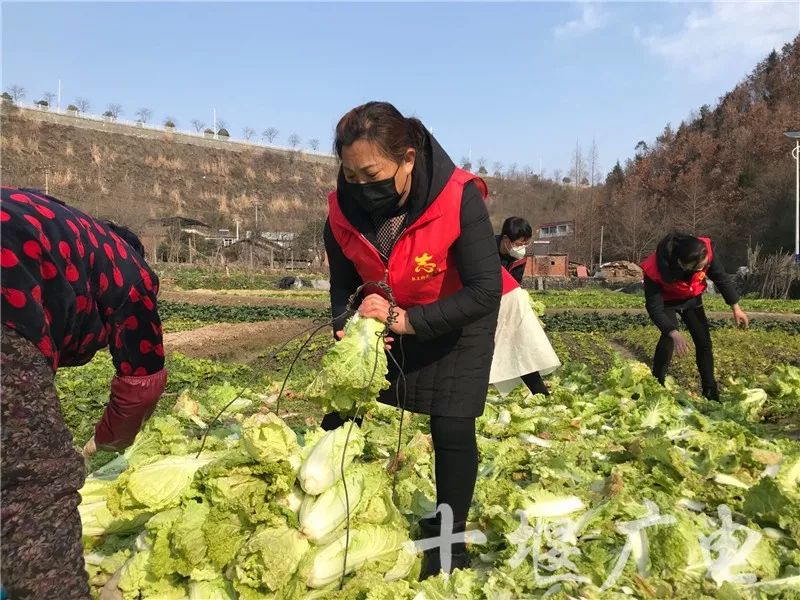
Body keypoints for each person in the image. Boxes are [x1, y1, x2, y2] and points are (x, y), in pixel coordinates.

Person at [323, 101, 502, 578]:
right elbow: (343, 283)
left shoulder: (458, 196)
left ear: (406, 158)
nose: (361, 187)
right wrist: (350, 320)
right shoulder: (341, 208)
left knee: (451, 427)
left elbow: (486, 289)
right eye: (351, 175)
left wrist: (409, 321)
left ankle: (450, 541)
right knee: (341, 411)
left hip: (456, 320)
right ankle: (329, 515)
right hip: (384, 320)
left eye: (371, 174)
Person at [1, 187, 167, 599]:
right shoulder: (131, 272)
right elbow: (141, 381)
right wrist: (107, 446)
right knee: (33, 486)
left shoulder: (64, 229)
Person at [640, 232, 749, 400]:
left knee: (704, 342)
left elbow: (721, 279)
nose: (703, 270)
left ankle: (710, 391)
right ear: (681, 263)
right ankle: (657, 385)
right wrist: (673, 332)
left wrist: (736, 307)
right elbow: (654, 308)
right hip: (666, 302)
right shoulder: (654, 269)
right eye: (699, 268)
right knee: (668, 338)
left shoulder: (703, 252)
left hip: (691, 299)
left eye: (704, 266)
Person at [493, 216, 561, 396]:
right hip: (483, 307)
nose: (522, 248)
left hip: (504, 308)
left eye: (526, 243)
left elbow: (514, 286)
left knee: (522, 344)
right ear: (506, 240)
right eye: (519, 243)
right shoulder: (485, 250)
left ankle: (540, 393)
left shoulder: (519, 260)